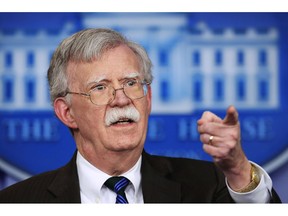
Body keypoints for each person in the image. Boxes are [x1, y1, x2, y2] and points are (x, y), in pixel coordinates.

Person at [0, 28, 281, 203]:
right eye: (100, 88)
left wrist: (239, 170)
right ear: (67, 112)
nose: (121, 99)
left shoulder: (207, 186)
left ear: (148, 99)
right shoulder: (17, 203)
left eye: (131, 83)